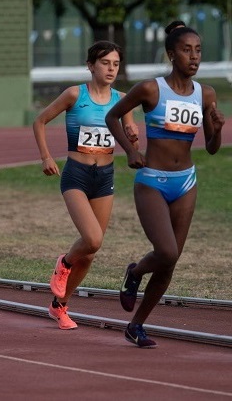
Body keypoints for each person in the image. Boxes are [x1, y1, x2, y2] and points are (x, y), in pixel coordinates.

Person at [105, 22, 224, 348]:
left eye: (198, 50)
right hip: (152, 181)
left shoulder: (206, 94)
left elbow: (212, 148)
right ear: (171, 55)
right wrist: (131, 151)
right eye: (187, 50)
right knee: (166, 251)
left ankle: (136, 325)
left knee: (171, 260)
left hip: (186, 181)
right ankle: (135, 272)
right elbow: (112, 116)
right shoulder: (150, 89)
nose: (194, 56)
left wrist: (217, 129)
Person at [32, 41, 138, 330]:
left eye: (115, 64)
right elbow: (40, 121)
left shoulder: (123, 99)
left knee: (90, 253)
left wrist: (132, 134)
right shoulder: (74, 94)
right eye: (105, 63)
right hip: (76, 174)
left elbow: (129, 137)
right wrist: (45, 157)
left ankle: (60, 306)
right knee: (92, 239)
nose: (111, 69)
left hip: (104, 178)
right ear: (91, 65)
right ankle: (64, 263)